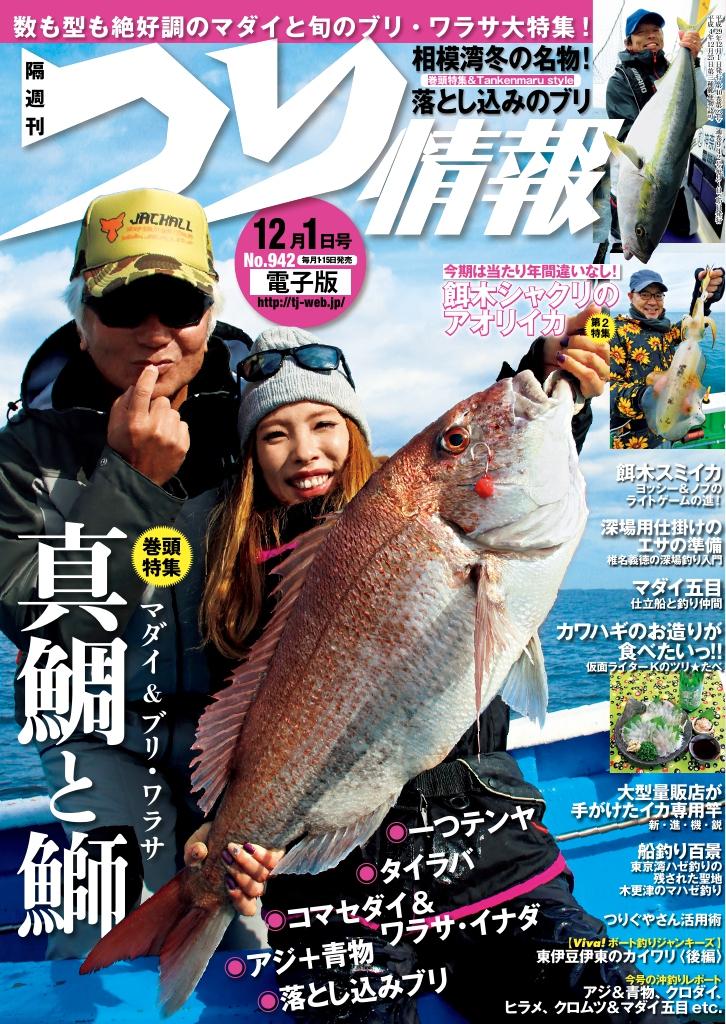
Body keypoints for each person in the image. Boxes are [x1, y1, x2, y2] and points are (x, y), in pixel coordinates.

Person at [186, 325, 636, 1023]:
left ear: (357, 431)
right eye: (274, 434)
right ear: (251, 455)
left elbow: (519, 465)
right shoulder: (233, 573)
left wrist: (557, 376)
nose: (305, 450)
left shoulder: (419, 515)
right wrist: (212, 837)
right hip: (330, 887)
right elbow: (238, 725)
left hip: (484, 844)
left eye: (324, 423)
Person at [0, 186, 272, 956]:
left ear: (210, 316)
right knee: (103, 937)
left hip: (249, 731)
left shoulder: (270, 413)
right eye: (124, 305)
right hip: (101, 733)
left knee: (261, 932)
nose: (155, 332)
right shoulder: (25, 452)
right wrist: (132, 481)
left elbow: (389, 507)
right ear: (82, 318)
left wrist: (554, 396)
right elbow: (41, 621)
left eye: (180, 305)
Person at [605, 8, 705, 248]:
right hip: (640, 174)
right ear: (629, 43)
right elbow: (629, 138)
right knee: (629, 237)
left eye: (656, 30)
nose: (651, 35)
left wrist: (693, 61)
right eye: (641, 32)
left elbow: (700, 107)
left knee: (684, 232)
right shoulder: (619, 81)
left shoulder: (675, 68)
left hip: (672, 181)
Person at [610, 266, 724, 448]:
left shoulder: (665, 330)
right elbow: (606, 392)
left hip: (668, 432)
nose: (653, 302)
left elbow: (693, 327)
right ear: (631, 296)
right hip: (634, 442)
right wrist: (646, 395)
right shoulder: (616, 331)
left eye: (658, 295)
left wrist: (703, 296)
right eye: (645, 294)